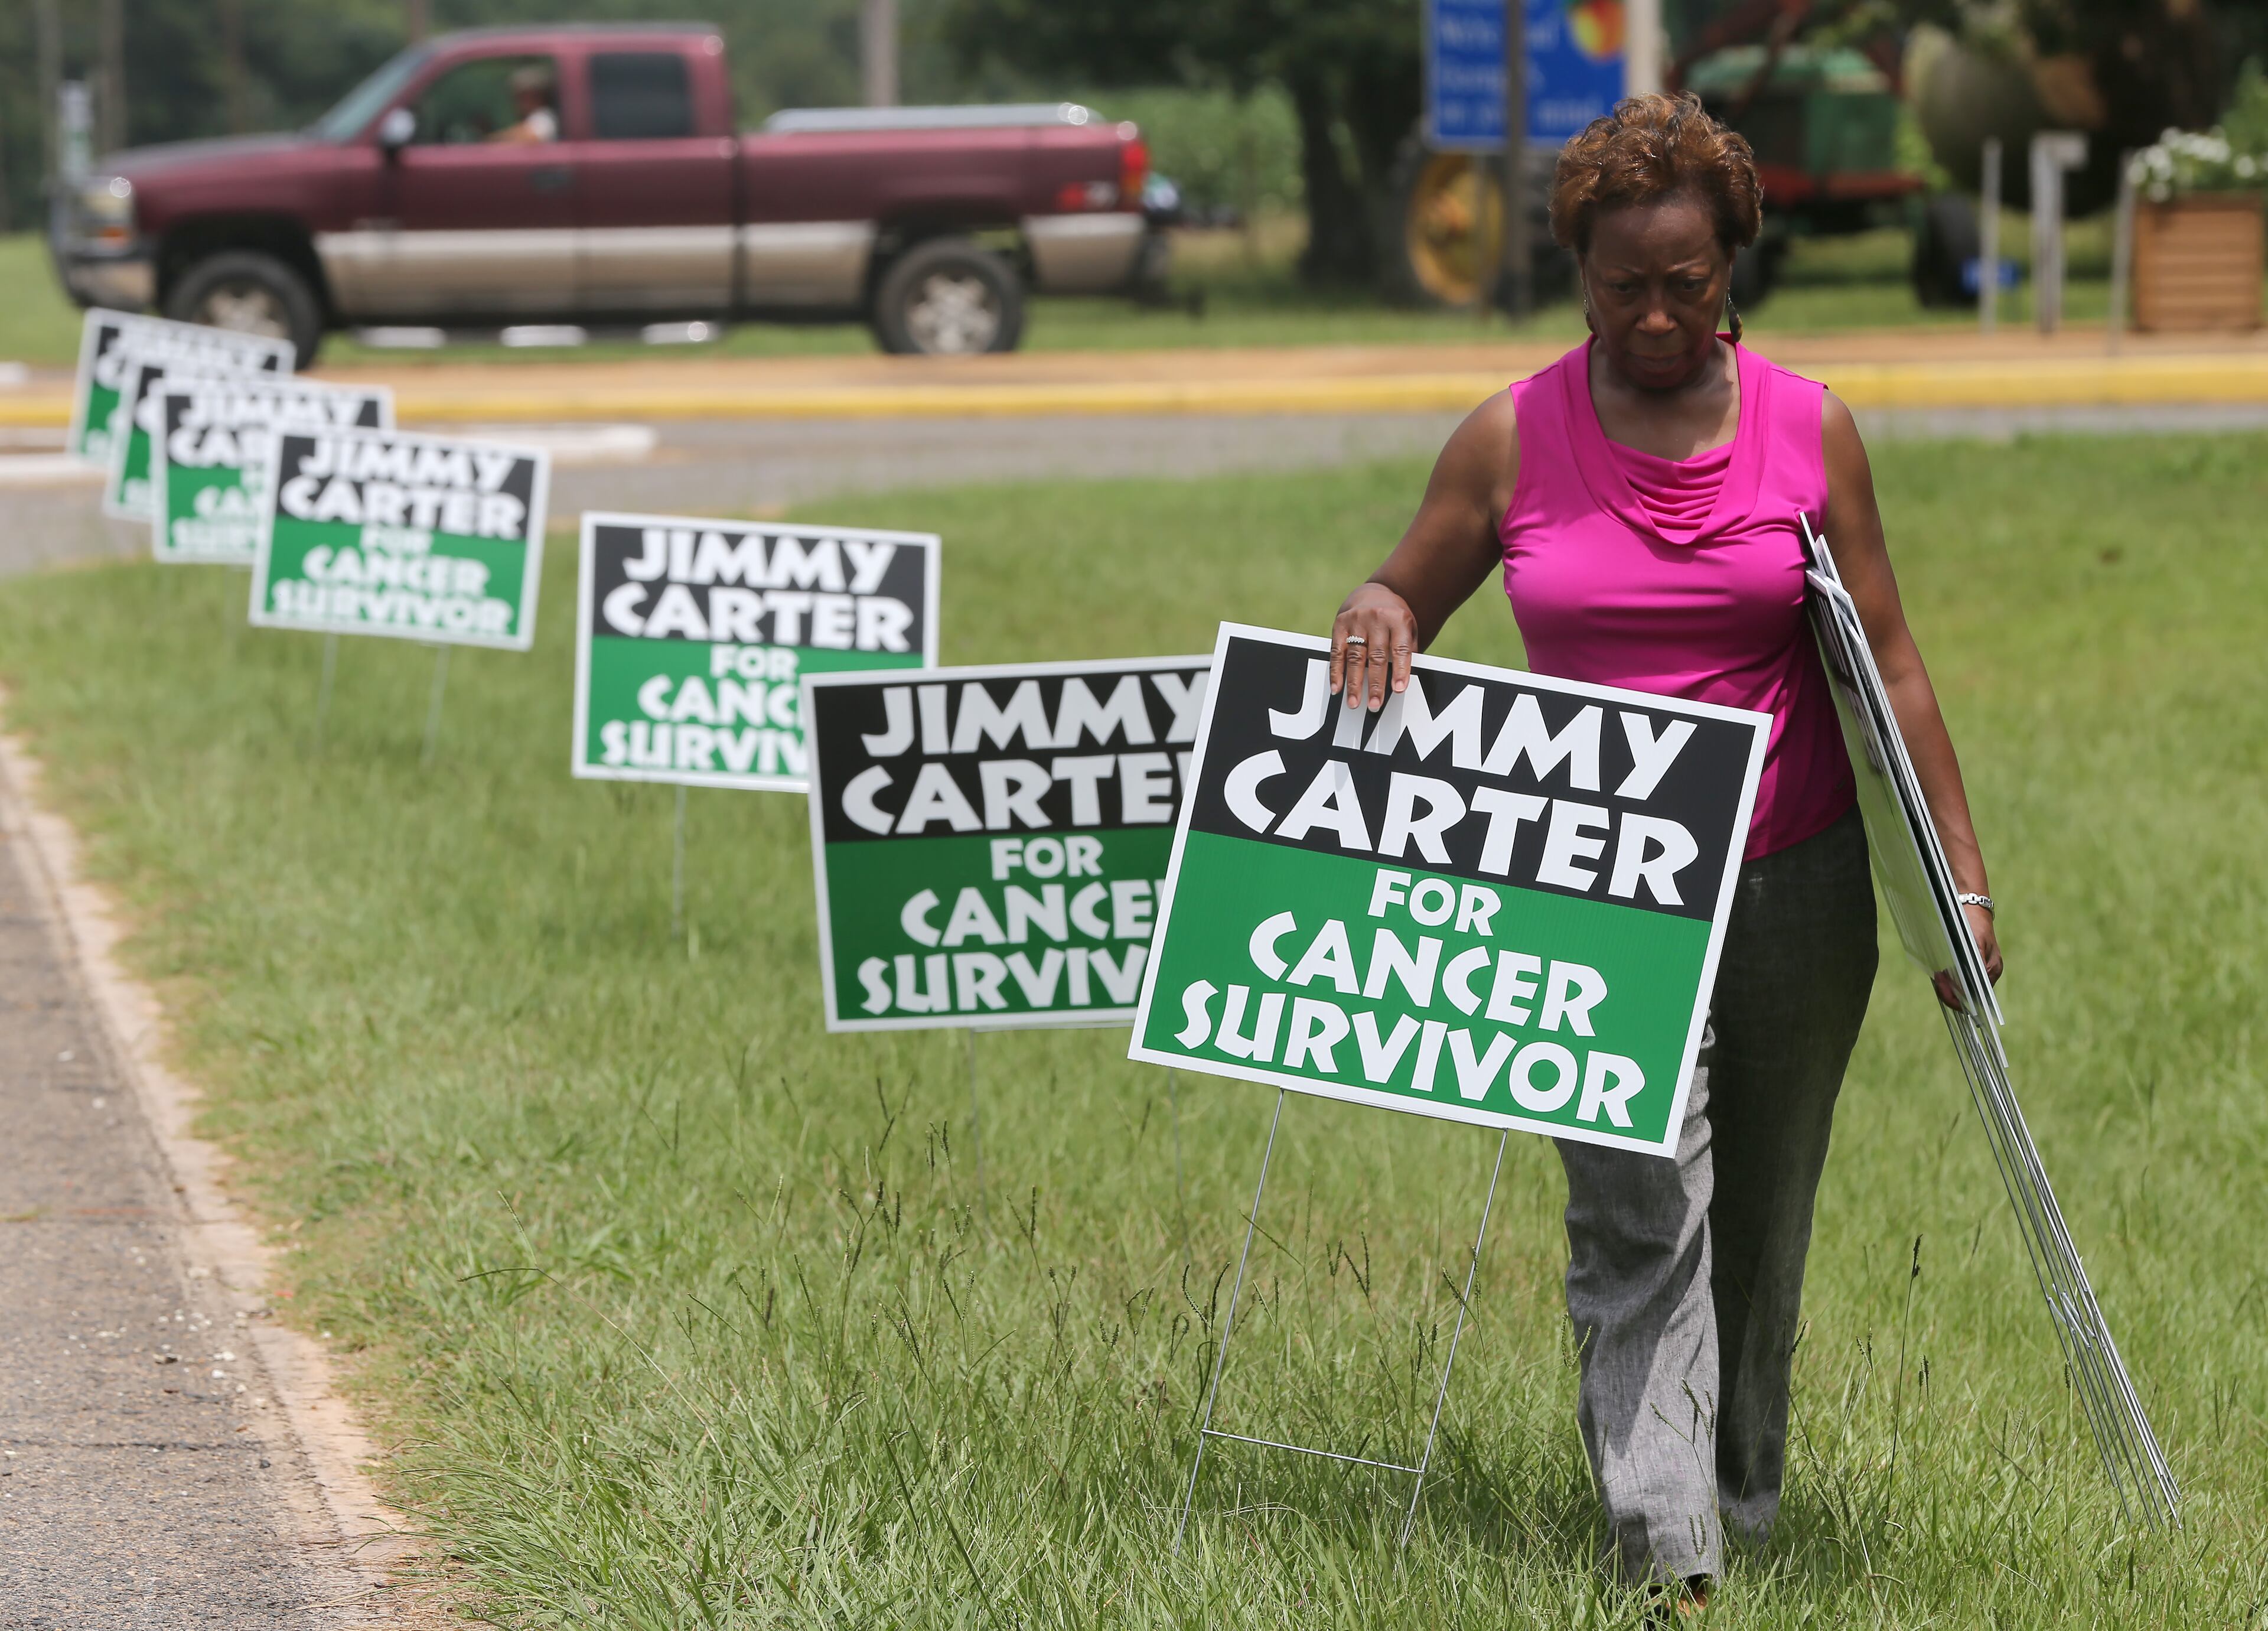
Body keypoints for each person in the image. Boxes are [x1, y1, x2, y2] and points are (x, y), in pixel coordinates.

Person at [1327, 93, 2002, 1611]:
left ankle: (1739, 1492)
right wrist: (1376, 606)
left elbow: (1888, 661)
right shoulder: (1510, 433)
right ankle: (1663, 1541)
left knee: (1759, 1208)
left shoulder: (1807, 424)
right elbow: (1402, 592)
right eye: (1619, 281)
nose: (1649, 312)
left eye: (1682, 283)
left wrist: (1954, 883)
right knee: (1634, 1206)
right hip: (1590, 886)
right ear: (1574, 268)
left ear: (1730, 267)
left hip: (1793, 872)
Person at [488, 64, 558, 145]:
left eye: (522, 97)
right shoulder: (534, 117)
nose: (517, 102)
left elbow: (529, 136)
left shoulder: (544, 117)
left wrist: (491, 140)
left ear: (535, 96)